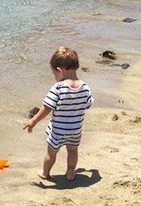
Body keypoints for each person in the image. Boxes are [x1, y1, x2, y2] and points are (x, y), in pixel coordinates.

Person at [23, 46, 93, 181]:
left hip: (58, 131)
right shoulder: (84, 87)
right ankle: (71, 172)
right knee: (72, 151)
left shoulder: (58, 88)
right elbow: (88, 104)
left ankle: (45, 172)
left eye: (54, 73)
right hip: (75, 130)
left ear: (60, 71)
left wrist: (33, 121)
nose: (55, 76)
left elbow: (46, 108)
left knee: (51, 153)